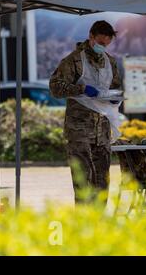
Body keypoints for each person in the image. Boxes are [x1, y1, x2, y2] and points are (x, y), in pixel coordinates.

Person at [49, 20, 122, 205]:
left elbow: (116, 87)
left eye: (106, 44)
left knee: (102, 183)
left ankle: (99, 228)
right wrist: (81, 89)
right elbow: (55, 88)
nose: (103, 47)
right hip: (79, 130)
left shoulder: (110, 62)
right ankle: (84, 228)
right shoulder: (73, 60)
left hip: (102, 130)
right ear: (91, 36)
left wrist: (116, 97)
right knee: (83, 182)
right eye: (100, 43)